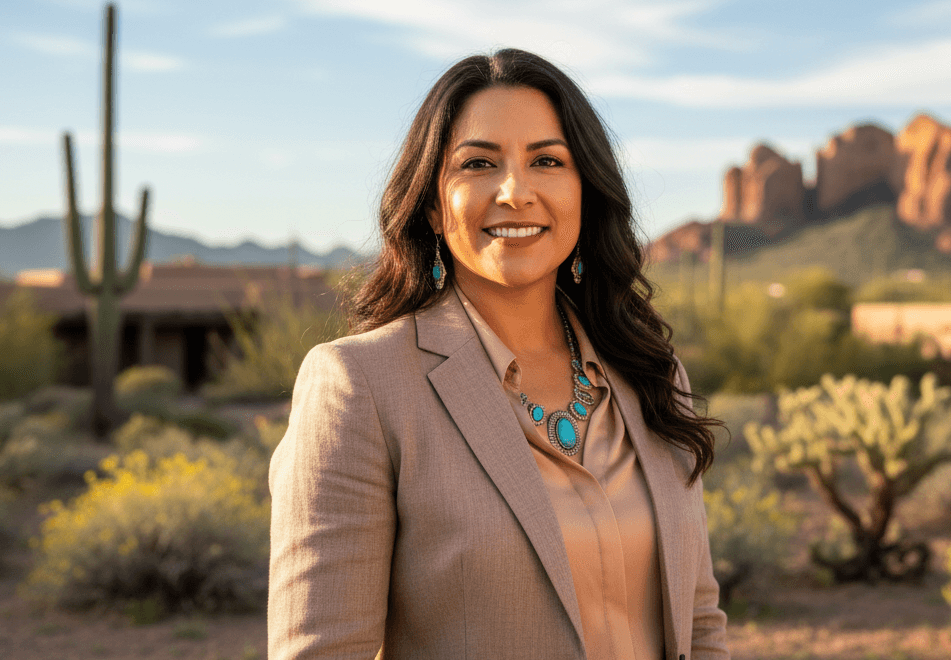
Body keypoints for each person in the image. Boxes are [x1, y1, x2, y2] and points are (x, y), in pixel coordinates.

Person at [267, 48, 730, 660]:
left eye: (547, 160)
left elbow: (699, 626)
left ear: (584, 191)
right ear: (433, 204)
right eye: (479, 164)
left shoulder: (651, 374)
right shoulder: (362, 386)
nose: (515, 192)